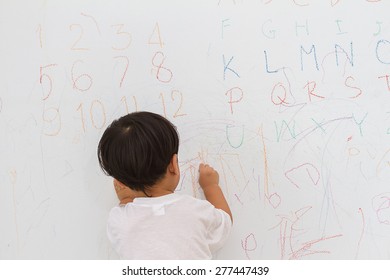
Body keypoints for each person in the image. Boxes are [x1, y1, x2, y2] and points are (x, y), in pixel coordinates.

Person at [97, 111, 232, 259]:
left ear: (120, 182)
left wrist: (125, 200)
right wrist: (211, 186)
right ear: (173, 164)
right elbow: (225, 223)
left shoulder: (118, 220)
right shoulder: (196, 211)